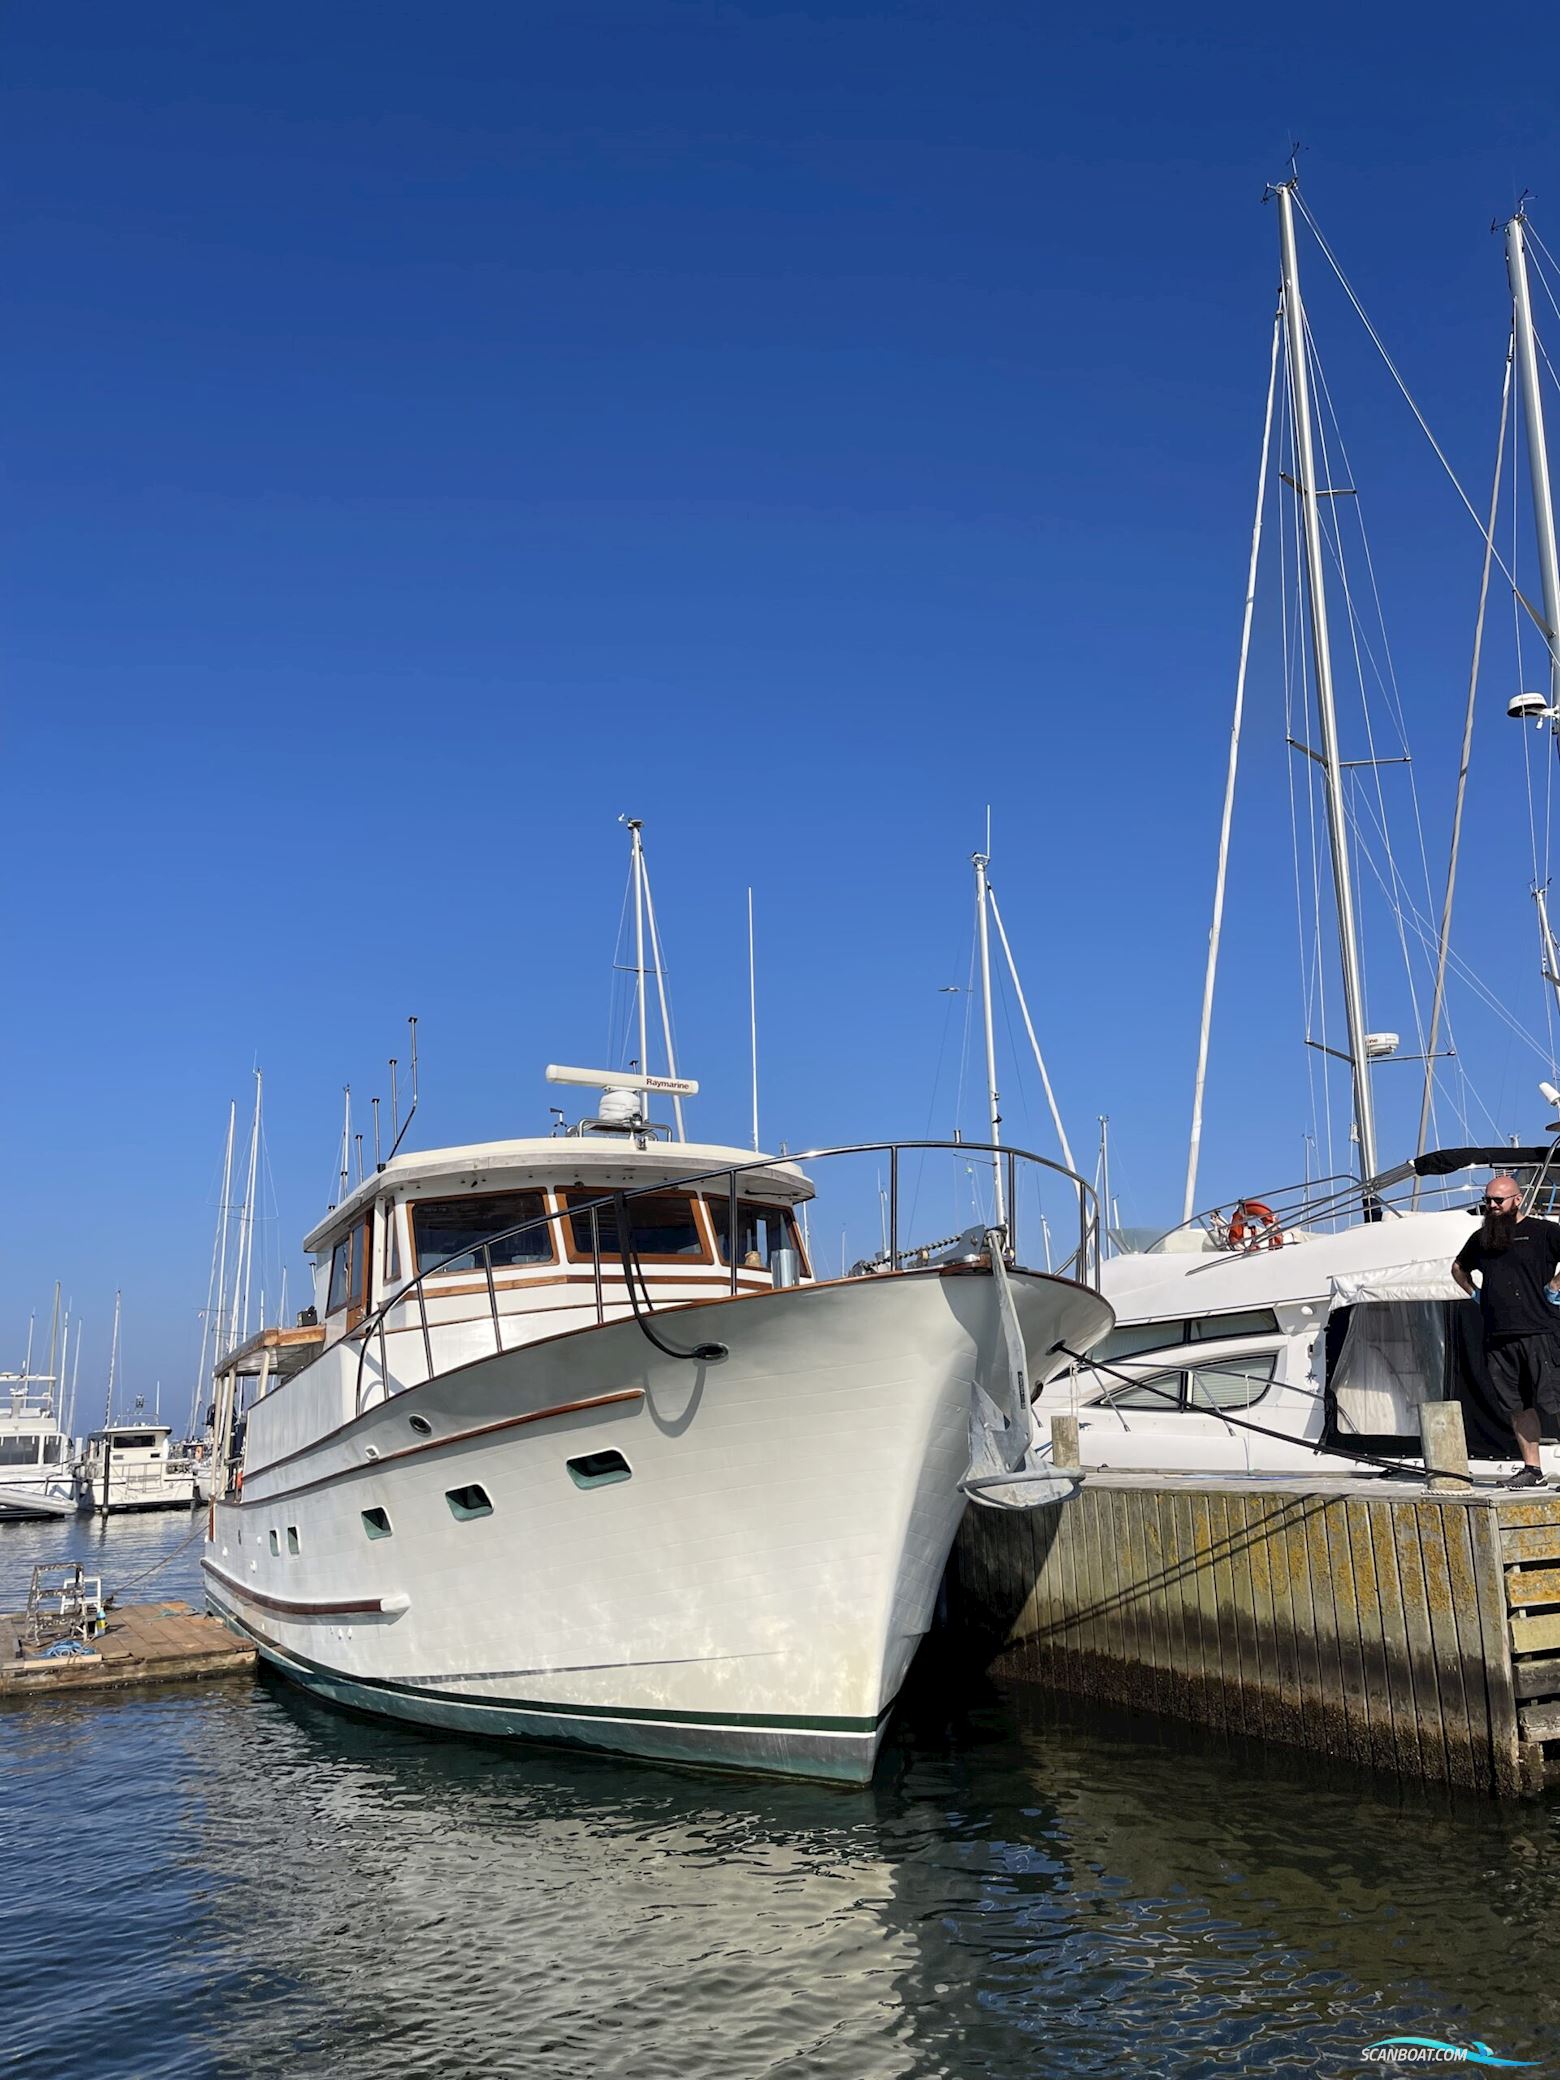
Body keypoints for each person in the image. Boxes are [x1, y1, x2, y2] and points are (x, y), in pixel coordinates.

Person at [1451, 1173, 1560, 1488]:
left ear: (1517, 1199)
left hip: (1540, 1330)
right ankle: (1532, 1469)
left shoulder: (1543, 1232)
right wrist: (1475, 1293)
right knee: (1516, 1405)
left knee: (1555, 1400)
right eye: (1488, 1200)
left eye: (1499, 1200)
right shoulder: (1483, 1238)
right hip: (1498, 1335)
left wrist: (1554, 1285)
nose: (1493, 1205)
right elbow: (1458, 1268)